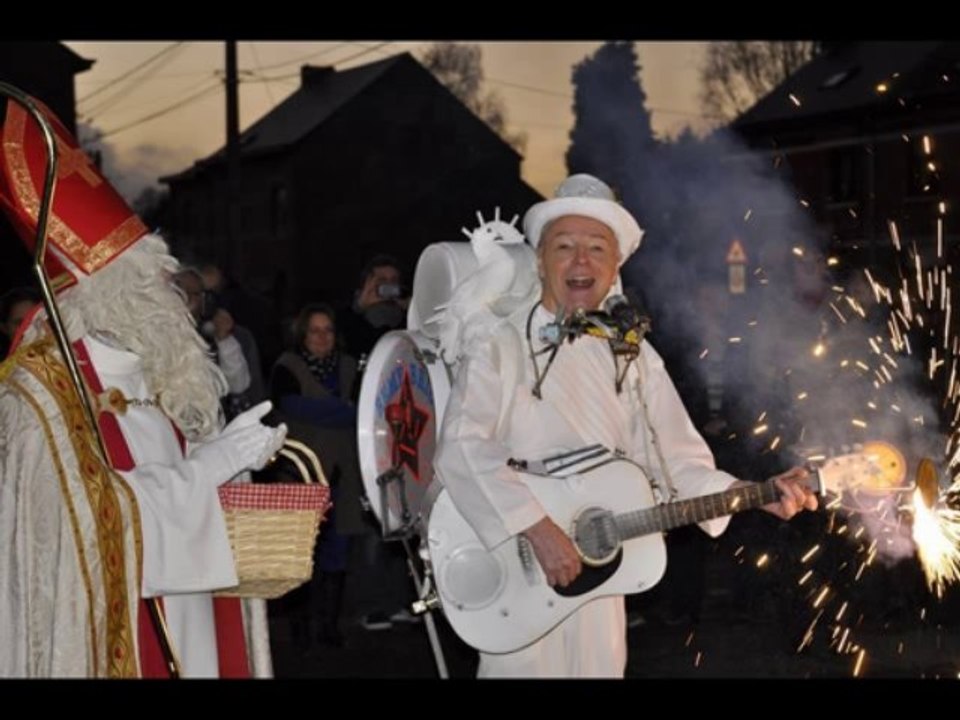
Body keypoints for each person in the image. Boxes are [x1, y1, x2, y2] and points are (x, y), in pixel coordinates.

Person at [433, 173, 818, 678]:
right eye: (564, 246)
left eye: (597, 248)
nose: (580, 260)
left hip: (604, 570)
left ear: (614, 268)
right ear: (541, 261)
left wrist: (753, 493)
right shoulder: (498, 344)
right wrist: (538, 529)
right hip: (513, 558)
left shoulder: (633, 357)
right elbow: (461, 447)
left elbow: (678, 461)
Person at [0, 97, 286, 677]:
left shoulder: (157, 370)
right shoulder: (42, 394)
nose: (170, 295)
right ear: (106, 292)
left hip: (191, 610)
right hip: (113, 633)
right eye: (150, 280)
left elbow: (163, 480)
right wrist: (210, 468)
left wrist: (226, 457)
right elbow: (89, 526)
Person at [270, 303, 365, 649]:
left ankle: (329, 625)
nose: (322, 337)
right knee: (300, 551)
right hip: (301, 472)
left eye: (327, 330)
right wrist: (346, 411)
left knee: (337, 552)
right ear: (302, 334)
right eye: (315, 330)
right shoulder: (287, 367)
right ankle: (299, 625)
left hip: (345, 473)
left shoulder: (349, 366)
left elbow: (365, 411)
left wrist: (347, 413)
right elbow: (294, 407)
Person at [174, 267, 265, 421]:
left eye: (192, 293)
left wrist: (224, 340)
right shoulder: (156, 334)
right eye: (179, 293)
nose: (185, 300)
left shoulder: (223, 336)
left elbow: (240, 387)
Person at [0, 286, 40, 358]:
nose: (28, 329)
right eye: (20, 323)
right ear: (4, 328)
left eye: (33, 320)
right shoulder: (5, 368)